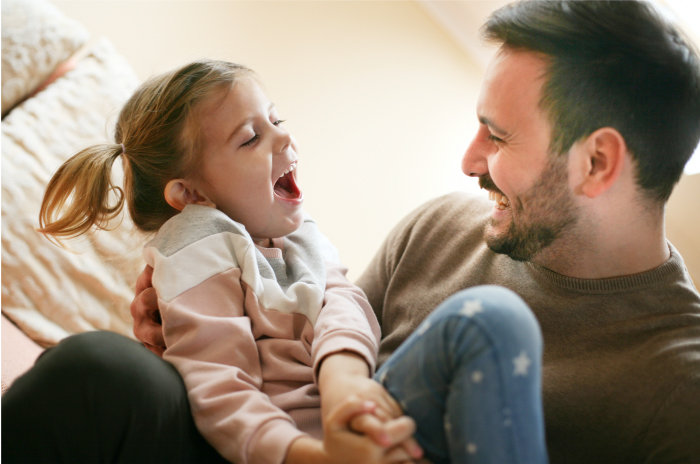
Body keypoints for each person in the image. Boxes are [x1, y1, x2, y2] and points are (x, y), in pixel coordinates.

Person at [131, 1, 700, 463]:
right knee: (103, 373)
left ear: (597, 163)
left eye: (497, 138)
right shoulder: (439, 228)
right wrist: (191, 325)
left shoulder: (678, 387)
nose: (468, 161)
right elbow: (299, 351)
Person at [3, 60, 548, 464]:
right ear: (191, 196)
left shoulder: (296, 238)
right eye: (250, 138)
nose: (284, 134)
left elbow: (341, 300)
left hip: (342, 428)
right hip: (278, 451)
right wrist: (314, 456)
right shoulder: (200, 242)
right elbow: (219, 384)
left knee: (491, 322)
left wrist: (343, 386)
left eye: (275, 118)